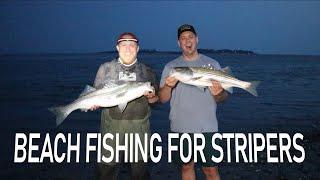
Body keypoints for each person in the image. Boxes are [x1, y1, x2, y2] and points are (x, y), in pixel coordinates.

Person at [159, 24, 228, 180]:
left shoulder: (213, 64)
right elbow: (162, 99)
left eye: (190, 37)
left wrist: (219, 93)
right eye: (183, 38)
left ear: (197, 39)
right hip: (180, 127)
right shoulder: (170, 67)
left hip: (208, 127)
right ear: (179, 43)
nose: (187, 41)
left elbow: (223, 98)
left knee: (210, 170)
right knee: (186, 166)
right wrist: (168, 87)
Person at [92, 32, 158, 180]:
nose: (128, 49)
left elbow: (155, 101)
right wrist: (92, 104)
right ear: (117, 47)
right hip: (110, 129)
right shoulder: (105, 68)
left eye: (132, 45)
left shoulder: (147, 71)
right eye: (124, 45)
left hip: (140, 130)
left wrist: (153, 97)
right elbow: (96, 95)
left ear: (138, 48)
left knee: (139, 173)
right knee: (105, 173)